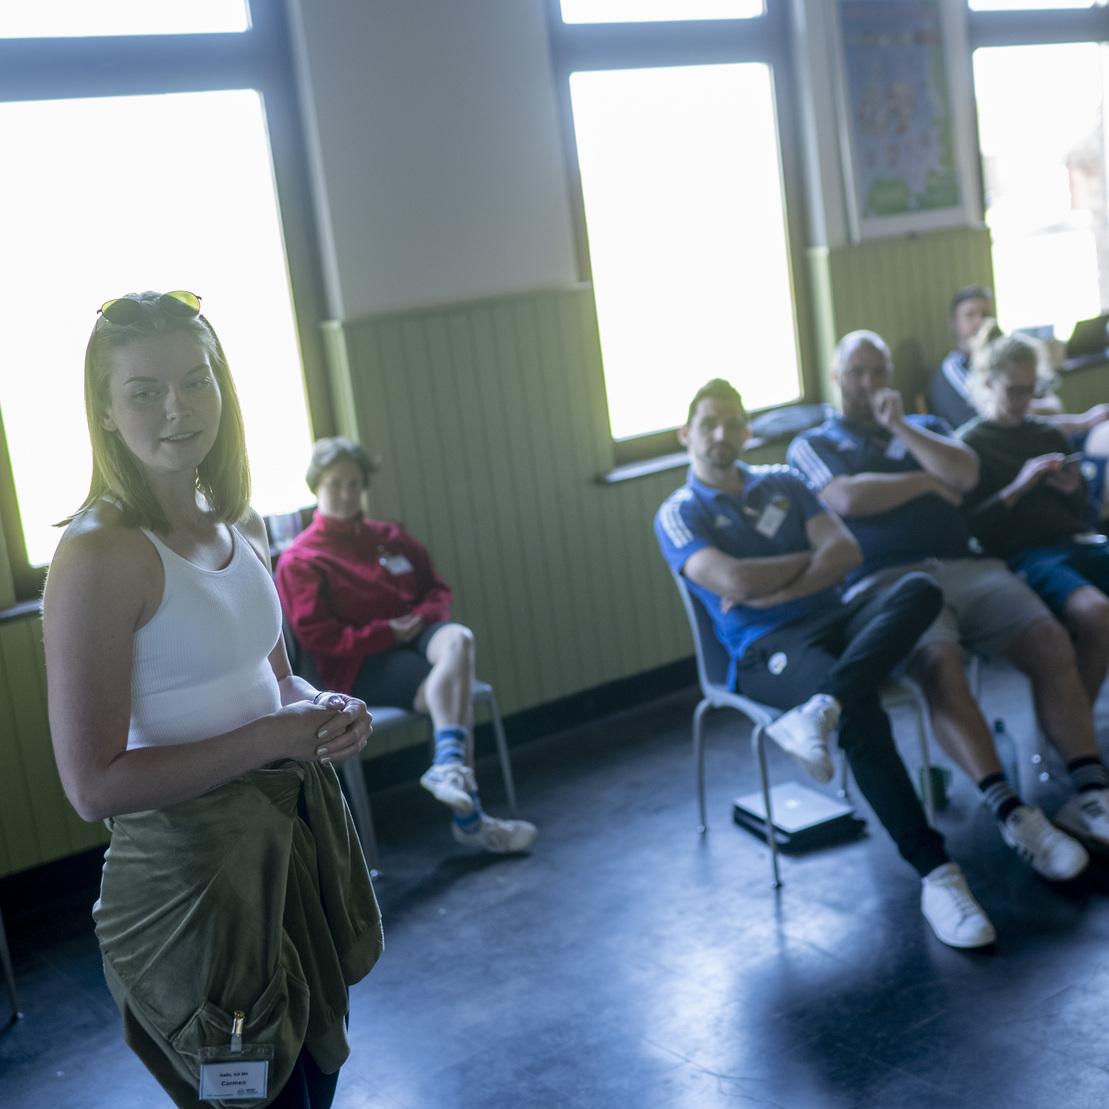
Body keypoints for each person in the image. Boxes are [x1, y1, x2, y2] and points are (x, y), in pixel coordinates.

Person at [43, 291, 382, 1108]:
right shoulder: (97, 554)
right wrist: (276, 735)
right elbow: (94, 785)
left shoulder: (239, 520)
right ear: (105, 410)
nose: (176, 409)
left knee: (315, 1079)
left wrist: (327, 707)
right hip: (192, 887)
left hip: (288, 846)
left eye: (196, 381)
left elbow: (276, 680)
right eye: (145, 389)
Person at [656, 378, 995, 949]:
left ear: (748, 431)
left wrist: (778, 583)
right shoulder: (679, 512)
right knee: (862, 710)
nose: (720, 435)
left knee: (918, 588)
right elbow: (732, 581)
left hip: (837, 621)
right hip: (765, 649)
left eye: (731, 422)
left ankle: (823, 706)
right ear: (686, 433)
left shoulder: (783, 482)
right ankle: (938, 874)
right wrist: (804, 566)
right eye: (707, 424)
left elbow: (846, 551)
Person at [789, 330, 1109, 880]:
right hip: (887, 586)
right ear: (837, 378)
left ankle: (1090, 790)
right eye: (857, 374)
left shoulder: (926, 427)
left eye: (879, 373)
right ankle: (1014, 813)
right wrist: (923, 481)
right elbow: (845, 497)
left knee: (1050, 640)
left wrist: (900, 429)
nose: (869, 386)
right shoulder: (814, 444)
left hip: (969, 568)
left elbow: (962, 476)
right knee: (941, 665)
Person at [274, 437, 537, 855]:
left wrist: (423, 617)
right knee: (454, 688)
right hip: (361, 663)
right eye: (335, 484)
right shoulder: (302, 559)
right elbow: (318, 636)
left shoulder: (390, 536)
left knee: (459, 639)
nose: (346, 494)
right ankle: (469, 817)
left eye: (354, 484)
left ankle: (449, 767)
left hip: (418, 640)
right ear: (315, 487)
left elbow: (437, 590)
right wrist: (386, 633)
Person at [960, 322, 1109, 702]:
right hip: (1028, 555)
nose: (1024, 400)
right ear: (989, 383)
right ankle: (1079, 734)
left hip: (1075, 541)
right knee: (1096, 614)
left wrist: (1073, 488)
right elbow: (974, 531)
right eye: (1014, 390)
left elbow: (1081, 513)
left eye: (1031, 389)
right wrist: (1017, 487)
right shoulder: (970, 444)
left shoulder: (1046, 433)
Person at [929, 284, 1109, 518]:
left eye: (986, 314)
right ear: (954, 324)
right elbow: (1002, 413)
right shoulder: (956, 371)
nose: (980, 322)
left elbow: (1052, 405)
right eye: (970, 316)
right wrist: (1082, 421)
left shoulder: (1017, 356)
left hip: (1048, 437)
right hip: (1011, 456)